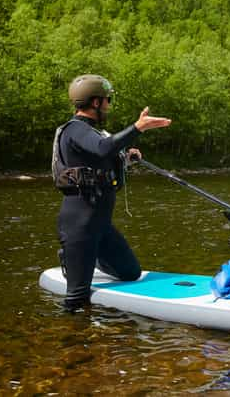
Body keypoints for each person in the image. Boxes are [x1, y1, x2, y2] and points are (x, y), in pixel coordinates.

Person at [52, 74, 171, 311]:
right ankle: (73, 259)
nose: (108, 105)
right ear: (96, 102)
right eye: (107, 100)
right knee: (76, 299)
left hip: (101, 225)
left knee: (130, 272)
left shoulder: (92, 133)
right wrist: (138, 127)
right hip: (80, 226)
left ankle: (85, 258)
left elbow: (102, 158)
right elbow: (102, 148)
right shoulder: (74, 129)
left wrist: (125, 158)